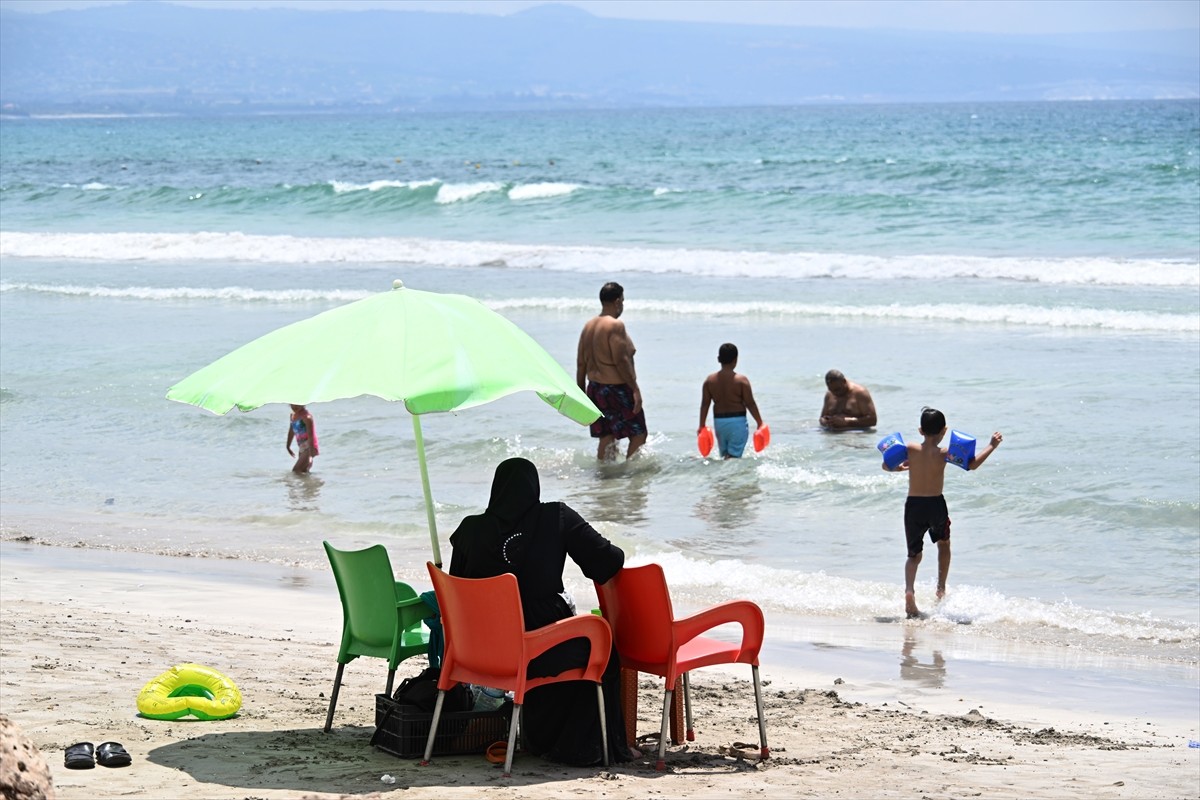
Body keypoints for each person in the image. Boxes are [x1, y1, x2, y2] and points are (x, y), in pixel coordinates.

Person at [448, 458, 636, 765]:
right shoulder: (554, 516)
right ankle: (591, 747)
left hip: (480, 655)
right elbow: (608, 562)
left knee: (572, 647)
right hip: (537, 649)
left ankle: (541, 740)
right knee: (601, 650)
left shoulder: (469, 530)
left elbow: (459, 592)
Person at [884, 407, 1002, 618]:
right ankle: (941, 588)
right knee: (943, 544)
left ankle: (909, 590)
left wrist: (897, 469)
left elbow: (886, 464)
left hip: (913, 506)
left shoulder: (910, 448)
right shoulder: (946, 453)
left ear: (920, 430)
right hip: (936, 505)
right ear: (944, 431)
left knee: (914, 555)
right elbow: (972, 465)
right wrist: (991, 445)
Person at [576, 282, 647, 460]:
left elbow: (580, 363)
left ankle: (605, 480)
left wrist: (581, 392)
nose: (622, 305)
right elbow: (621, 360)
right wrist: (635, 389)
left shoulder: (588, 326)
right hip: (617, 389)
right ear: (617, 301)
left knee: (607, 437)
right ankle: (630, 475)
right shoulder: (615, 325)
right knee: (638, 434)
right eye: (622, 301)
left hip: (595, 388)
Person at [698, 343, 765, 459]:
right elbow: (750, 404)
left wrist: (701, 425)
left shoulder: (709, 381)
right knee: (733, 458)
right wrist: (760, 422)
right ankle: (730, 477)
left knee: (725, 456)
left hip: (719, 423)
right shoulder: (741, 381)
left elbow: (705, 404)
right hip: (737, 422)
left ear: (718, 359)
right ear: (736, 360)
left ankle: (723, 477)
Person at [285, 404, 318, 473]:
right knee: (303, 472)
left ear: (303, 404)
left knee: (296, 470)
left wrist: (311, 452)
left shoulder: (307, 417)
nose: (295, 407)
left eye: (297, 405)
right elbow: (291, 431)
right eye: (292, 405)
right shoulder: (293, 416)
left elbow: (311, 435)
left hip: (309, 446)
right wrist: (288, 446)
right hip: (301, 447)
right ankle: (310, 483)